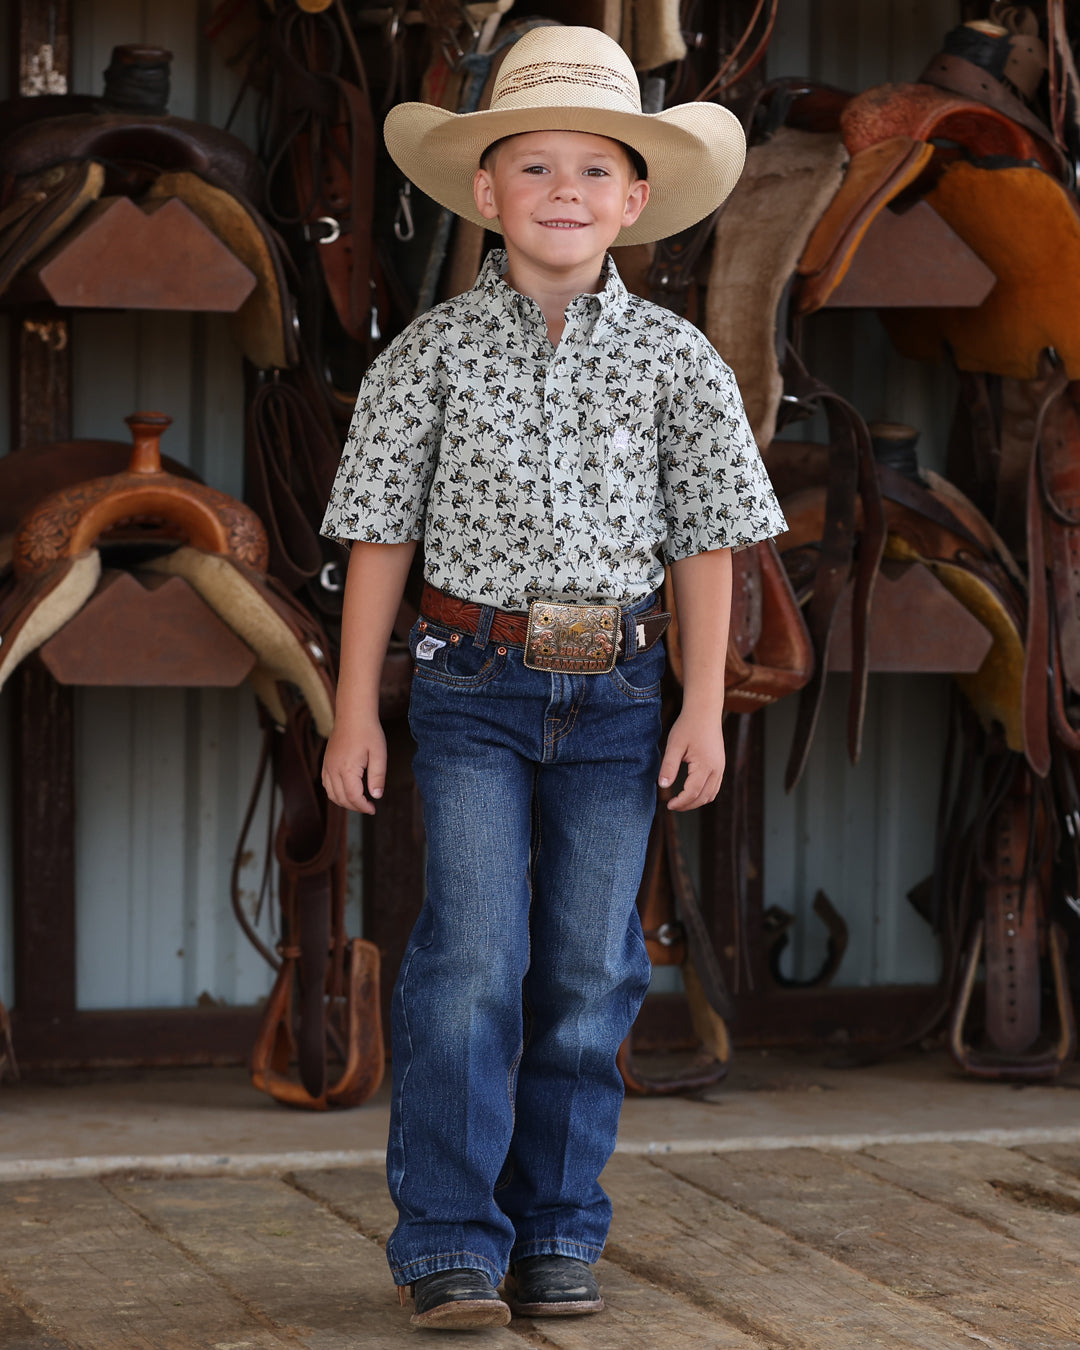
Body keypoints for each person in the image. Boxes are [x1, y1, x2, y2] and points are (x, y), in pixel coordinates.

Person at [320, 24, 786, 1331]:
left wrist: (700, 700)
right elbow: (378, 540)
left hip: (622, 697)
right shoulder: (426, 358)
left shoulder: (678, 362)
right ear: (487, 191)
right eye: (536, 167)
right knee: (472, 954)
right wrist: (356, 705)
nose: (566, 191)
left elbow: (707, 542)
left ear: (637, 198)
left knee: (588, 970)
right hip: (469, 684)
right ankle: (451, 1242)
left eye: (596, 168)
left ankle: (557, 1231)